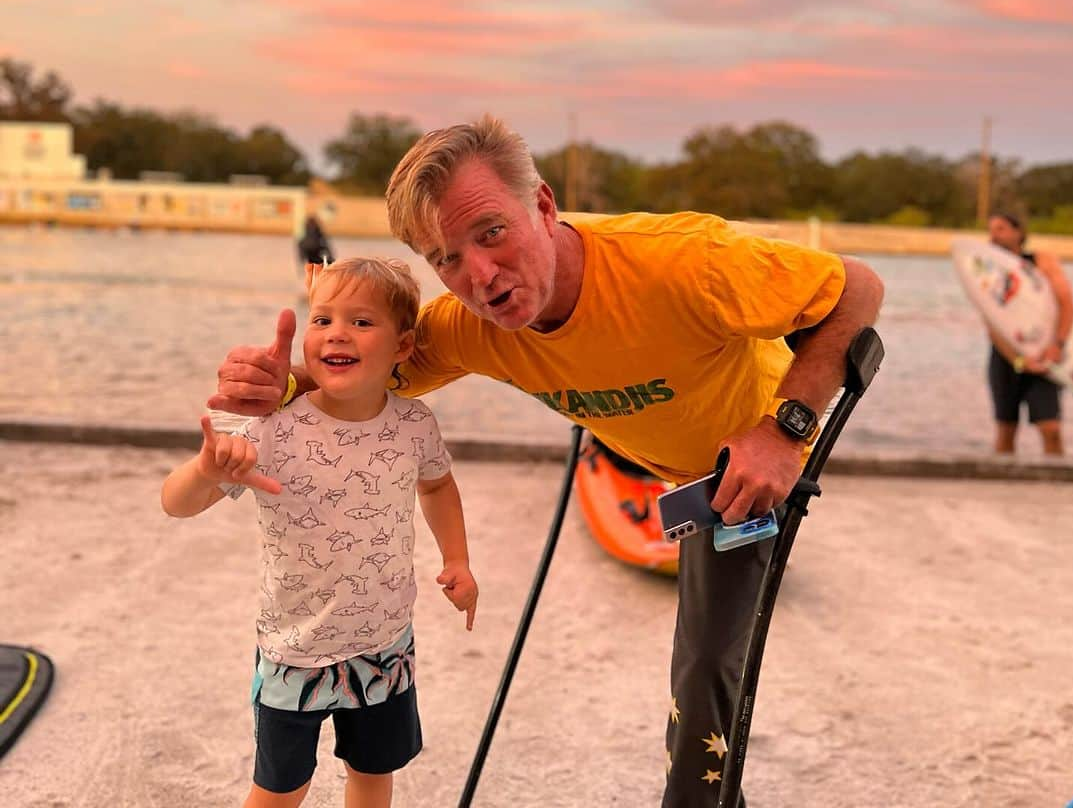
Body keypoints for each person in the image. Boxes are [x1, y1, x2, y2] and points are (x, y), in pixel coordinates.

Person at [210, 116, 884, 808]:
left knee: (705, 680)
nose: (479, 275)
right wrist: (284, 383)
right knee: (705, 682)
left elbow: (858, 290)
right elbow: (376, 371)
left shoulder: (685, 262)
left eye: (492, 232)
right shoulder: (469, 329)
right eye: (445, 258)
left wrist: (785, 429)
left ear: (544, 204)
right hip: (651, 457)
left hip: (745, 469)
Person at [164, 256, 478, 808]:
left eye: (361, 322)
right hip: (295, 650)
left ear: (403, 346)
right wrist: (205, 470)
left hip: (385, 643)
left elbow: (437, 486)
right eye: (322, 319)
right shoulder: (270, 427)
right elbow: (176, 504)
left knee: (373, 772)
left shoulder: (414, 423)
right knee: (281, 788)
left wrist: (458, 559)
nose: (337, 333)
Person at [986, 211, 1073, 457]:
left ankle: (1057, 485)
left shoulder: (1041, 262)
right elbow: (992, 325)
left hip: (1046, 354)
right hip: (1006, 358)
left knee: (1051, 429)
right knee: (1005, 430)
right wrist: (1018, 360)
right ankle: (1003, 489)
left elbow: (1067, 305)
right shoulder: (988, 270)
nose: (994, 235)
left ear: (1019, 233)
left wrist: (1057, 345)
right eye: (991, 230)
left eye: (1001, 229)